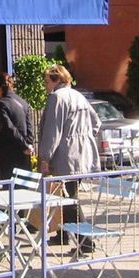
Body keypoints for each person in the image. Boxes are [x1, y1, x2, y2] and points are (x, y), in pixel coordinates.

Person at [38, 64, 101, 253]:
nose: (45, 85)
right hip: (82, 154)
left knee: (70, 198)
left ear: (57, 80)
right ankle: (66, 235)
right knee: (69, 196)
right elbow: (96, 122)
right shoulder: (78, 96)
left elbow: (52, 131)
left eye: (47, 81)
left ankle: (85, 241)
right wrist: (85, 138)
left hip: (66, 155)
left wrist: (45, 157)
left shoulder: (57, 97)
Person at [0, 72, 34, 179]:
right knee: (24, 185)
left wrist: (24, 145)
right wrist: (28, 144)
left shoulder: (1, 103)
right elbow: (30, 126)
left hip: (10, 151)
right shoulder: (23, 102)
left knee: (9, 187)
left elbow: (9, 128)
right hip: (25, 153)